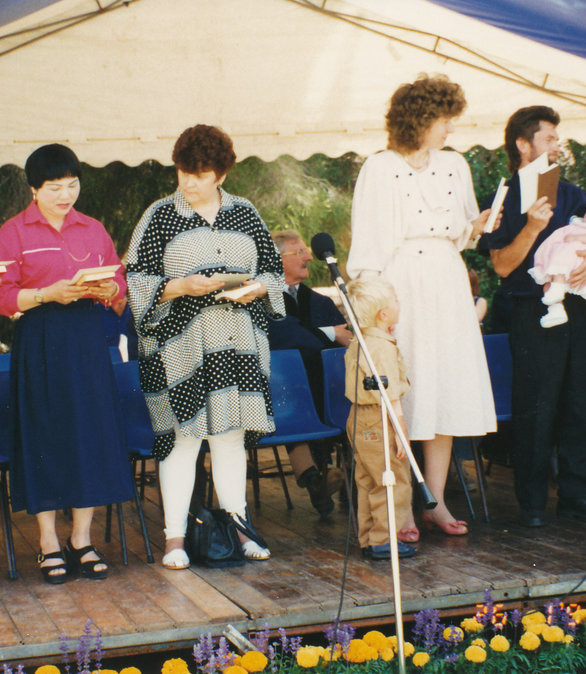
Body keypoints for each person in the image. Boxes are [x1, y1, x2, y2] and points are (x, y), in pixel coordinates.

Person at [126, 124, 284, 570]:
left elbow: (274, 273)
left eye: (199, 174)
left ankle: (240, 529)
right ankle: (174, 537)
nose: (188, 182)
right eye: (183, 171)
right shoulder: (159, 215)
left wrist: (255, 289)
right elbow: (134, 280)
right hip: (181, 350)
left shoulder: (246, 213)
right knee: (183, 439)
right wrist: (180, 285)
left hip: (238, 344)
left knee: (231, 440)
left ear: (221, 175)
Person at [347, 74, 496, 538]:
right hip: (400, 284)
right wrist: (374, 309)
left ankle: (436, 498)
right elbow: (368, 245)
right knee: (402, 395)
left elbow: (464, 233)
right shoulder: (379, 167)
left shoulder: (455, 164)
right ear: (420, 119)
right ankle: (403, 504)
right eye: (443, 120)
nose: (450, 129)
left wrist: (480, 225)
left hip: (447, 279)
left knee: (444, 388)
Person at [0, 143, 134, 584]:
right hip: (41, 337)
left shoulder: (92, 228)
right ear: (34, 189)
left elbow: (118, 281)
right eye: (55, 187)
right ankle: (49, 541)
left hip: (87, 338)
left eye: (73, 185)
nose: (66, 195)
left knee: (89, 433)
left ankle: (82, 539)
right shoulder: (14, 232)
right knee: (46, 434)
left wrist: (111, 293)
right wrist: (47, 294)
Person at [478, 105, 586, 527]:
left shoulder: (572, 193)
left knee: (582, 403)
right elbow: (501, 266)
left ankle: (577, 496)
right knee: (537, 407)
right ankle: (533, 504)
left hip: (580, 308)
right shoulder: (501, 197)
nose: (558, 145)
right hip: (528, 309)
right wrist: (533, 228)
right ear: (524, 144)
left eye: (558, 138)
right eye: (550, 137)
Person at [268, 229, 349, 517]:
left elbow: (347, 340)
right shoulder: (264, 300)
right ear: (277, 259)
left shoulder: (321, 302)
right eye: (299, 251)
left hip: (326, 388)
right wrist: (329, 333)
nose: (308, 256)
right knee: (293, 393)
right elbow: (284, 338)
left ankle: (325, 478)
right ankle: (315, 478)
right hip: (282, 393)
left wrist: (335, 336)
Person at [344, 277, 415, 561]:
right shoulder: (381, 346)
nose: (400, 305)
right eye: (395, 300)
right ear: (383, 313)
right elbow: (389, 393)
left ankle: (370, 537)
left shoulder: (359, 342)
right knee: (392, 478)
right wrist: (399, 429)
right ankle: (384, 539)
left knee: (369, 479)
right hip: (379, 416)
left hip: (359, 417)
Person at [529, 196, 586, 328]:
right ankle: (556, 311)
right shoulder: (576, 225)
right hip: (563, 267)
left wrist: (576, 237)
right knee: (547, 286)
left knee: (557, 284)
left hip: (576, 265)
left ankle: (557, 292)